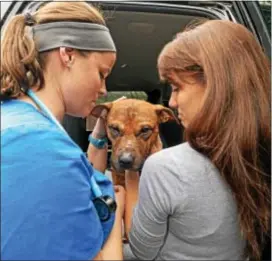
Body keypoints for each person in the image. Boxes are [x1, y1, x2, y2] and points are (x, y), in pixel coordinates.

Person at [122, 20, 270, 260]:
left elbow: (141, 252)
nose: (172, 102)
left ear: (215, 86)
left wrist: (129, 183)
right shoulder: (261, 157)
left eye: (177, 87)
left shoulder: (166, 168)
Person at [1, 2, 125, 260]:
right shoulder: (38, 147)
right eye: (102, 73)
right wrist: (116, 212)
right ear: (67, 54)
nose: (103, 89)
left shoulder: (15, 121)